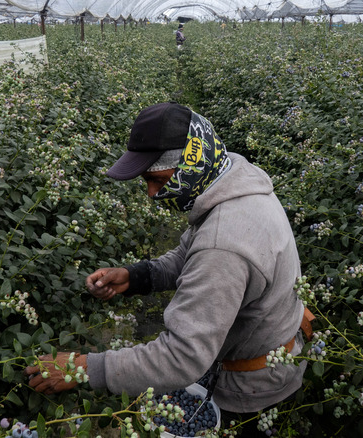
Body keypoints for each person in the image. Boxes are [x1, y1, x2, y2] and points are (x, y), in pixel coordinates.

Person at [25, 102, 311, 435]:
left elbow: (181, 357)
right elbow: (191, 255)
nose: (150, 193)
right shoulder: (228, 178)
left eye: (156, 180)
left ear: (190, 165)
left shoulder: (224, 246)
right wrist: (136, 277)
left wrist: (83, 368)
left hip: (254, 388)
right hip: (263, 349)